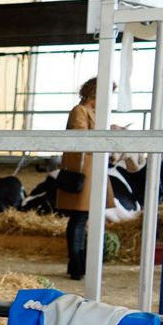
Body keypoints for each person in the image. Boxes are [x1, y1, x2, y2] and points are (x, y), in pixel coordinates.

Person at [54, 78, 111, 280]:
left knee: (83, 218)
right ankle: (76, 263)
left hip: (91, 169)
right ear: (94, 95)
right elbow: (81, 136)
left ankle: (79, 263)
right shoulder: (79, 111)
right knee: (79, 218)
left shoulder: (92, 113)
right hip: (84, 170)